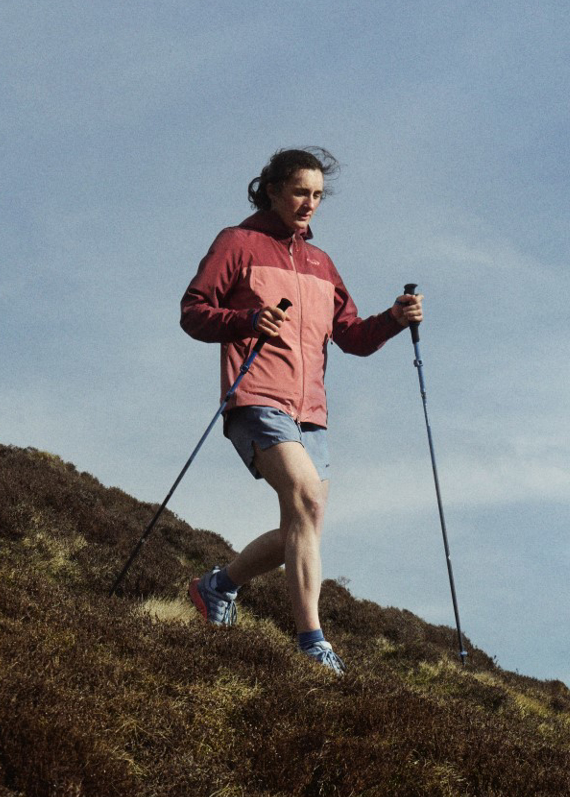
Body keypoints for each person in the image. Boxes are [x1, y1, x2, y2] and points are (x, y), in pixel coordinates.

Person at [178, 147, 422, 673]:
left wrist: (395, 319)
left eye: (317, 195)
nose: (309, 203)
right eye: (299, 192)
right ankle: (312, 641)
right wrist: (246, 322)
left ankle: (215, 587)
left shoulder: (322, 263)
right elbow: (193, 312)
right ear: (272, 190)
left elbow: (352, 337)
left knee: (303, 523)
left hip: (311, 410)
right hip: (256, 396)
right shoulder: (237, 243)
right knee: (307, 504)